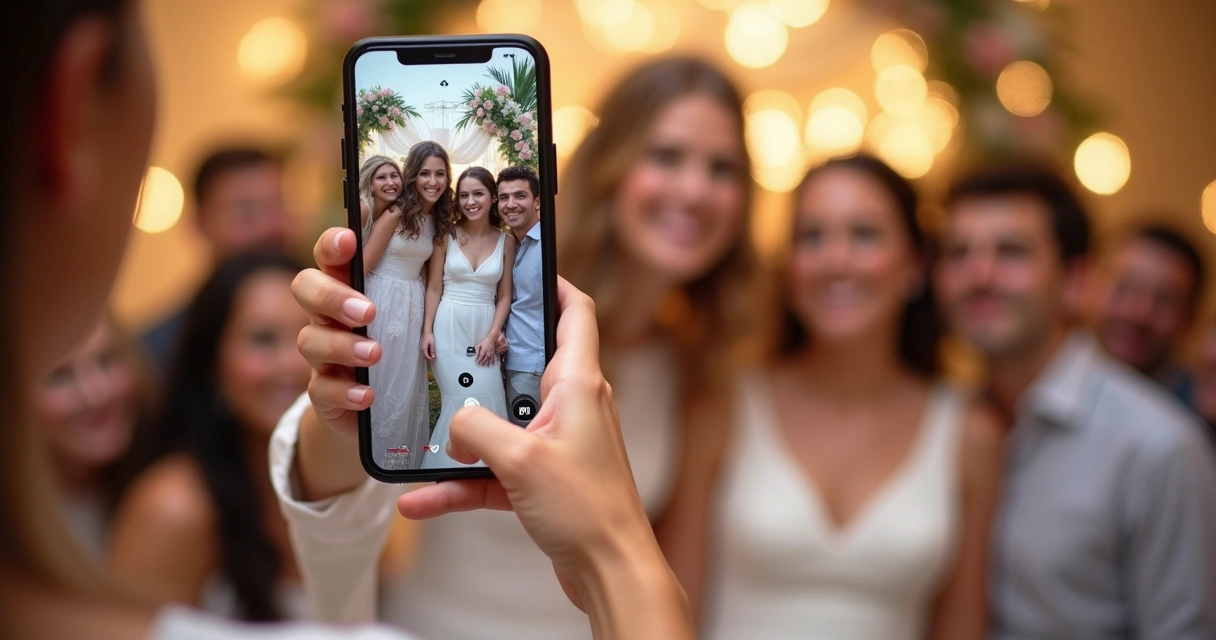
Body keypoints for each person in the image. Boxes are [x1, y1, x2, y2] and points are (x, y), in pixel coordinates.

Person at [1, 4, 690, 637]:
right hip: (399, 312)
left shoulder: (478, 236)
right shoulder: (397, 221)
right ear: (74, 100)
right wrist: (617, 555)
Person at [276, 56, 758, 639]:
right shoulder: (518, 320)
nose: (695, 189)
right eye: (667, 156)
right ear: (611, 164)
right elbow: (340, 504)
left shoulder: (701, 369)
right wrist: (335, 422)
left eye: (722, 168)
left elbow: (678, 591)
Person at [661, 155, 1001, 638]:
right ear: (790, 272)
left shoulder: (970, 433)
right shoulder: (723, 405)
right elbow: (672, 612)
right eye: (812, 237)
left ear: (914, 265)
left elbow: (961, 628)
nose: (836, 261)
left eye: (864, 235)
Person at [933, 164, 1216, 637]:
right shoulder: (938, 421)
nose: (979, 274)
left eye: (1012, 252)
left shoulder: (1157, 447)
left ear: (1076, 281)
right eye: (959, 253)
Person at [107, 252, 314, 620]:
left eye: (308, 337)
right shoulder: (174, 507)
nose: (294, 365)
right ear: (212, 367)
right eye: (264, 340)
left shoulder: (315, 482)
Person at [141, 146, 295, 371]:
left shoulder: (336, 316)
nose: (269, 227)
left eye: (278, 205)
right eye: (246, 212)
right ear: (200, 224)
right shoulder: (159, 351)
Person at [36, 316, 154, 559]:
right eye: (59, 377)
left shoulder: (168, 476)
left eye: (106, 360)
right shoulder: (15, 527)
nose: (97, 393)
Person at [362, 143, 450, 471]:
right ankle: (371, 461)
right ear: (413, 176)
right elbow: (365, 265)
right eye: (425, 173)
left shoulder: (439, 223)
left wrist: (427, 328)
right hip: (382, 300)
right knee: (378, 380)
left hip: (413, 303)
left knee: (403, 391)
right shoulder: (396, 213)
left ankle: (399, 465)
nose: (433, 181)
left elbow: (433, 285)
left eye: (440, 174)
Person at [421, 166, 514, 468]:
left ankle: (489, 469)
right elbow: (434, 287)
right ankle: (447, 467)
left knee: (488, 395)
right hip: (448, 326)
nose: (470, 201)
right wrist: (427, 332)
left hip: (484, 328)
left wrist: (492, 335)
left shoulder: (506, 240)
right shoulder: (445, 234)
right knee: (458, 401)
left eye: (478, 194)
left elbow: (504, 295)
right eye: (463, 195)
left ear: (493, 198)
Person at [1088, 223, 1207, 407]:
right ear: (1090, 285)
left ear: (1191, 319)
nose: (1138, 315)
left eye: (1165, 300)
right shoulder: (1041, 373)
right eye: (1125, 288)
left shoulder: (1198, 416)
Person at [496, 165, 544, 425]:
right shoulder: (511, 244)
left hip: (532, 364)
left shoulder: (548, 246)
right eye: (504, 197)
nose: (510, 204)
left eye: (519, 196)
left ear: (537, 202)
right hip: (511, 360)